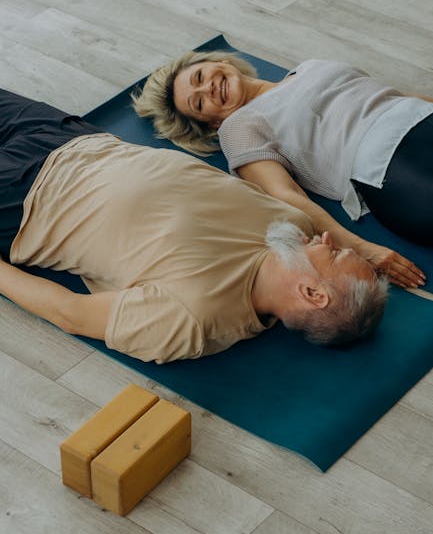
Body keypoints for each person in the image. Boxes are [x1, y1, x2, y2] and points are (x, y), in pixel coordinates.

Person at [0, 89, 388, 364]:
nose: (326, 238)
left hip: (24, 200)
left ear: (311, 293)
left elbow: (70, 312)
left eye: (332, 253)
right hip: (77, 139)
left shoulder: (194, 318)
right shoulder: (292, 224)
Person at [132, 49, 433, 285]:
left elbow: (391, 96)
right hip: (386, 165)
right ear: (213, 122)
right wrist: (363, 249)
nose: (208, 88)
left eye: (200, 77)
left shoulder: (309, 66)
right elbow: (285, 196)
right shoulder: (238, 126)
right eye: (198, 103)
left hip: (419, 115)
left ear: (222, 62)